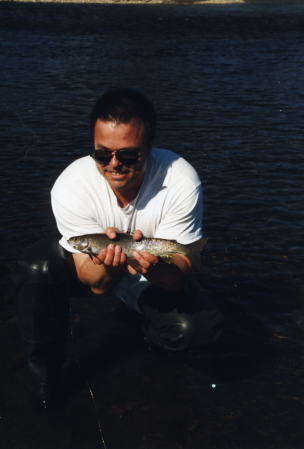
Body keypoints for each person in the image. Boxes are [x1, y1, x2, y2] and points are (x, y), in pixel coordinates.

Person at [17, 88, 222, 410]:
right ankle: (46, 381)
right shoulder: (71, 185)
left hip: (149, 272)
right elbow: (95, 285)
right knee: (35, 268)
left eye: (128, 155)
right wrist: (110, 264)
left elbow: (178, 277)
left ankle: (153, 348)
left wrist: (155, 267)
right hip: (102, 267)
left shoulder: (181, 179)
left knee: (196, 330)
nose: (114, 165)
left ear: (149, 148)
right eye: (102, 154)